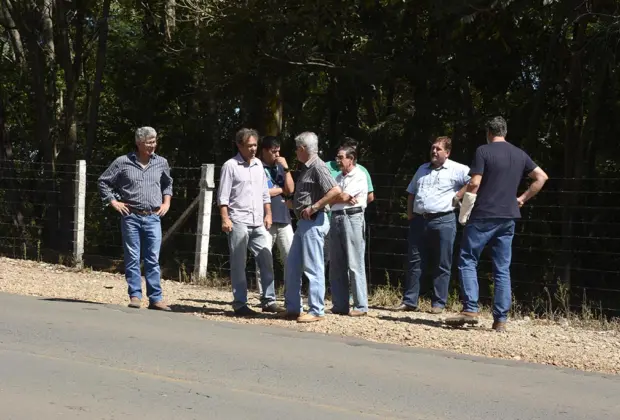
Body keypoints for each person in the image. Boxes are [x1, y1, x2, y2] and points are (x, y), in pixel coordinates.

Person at [446, 116, 548, 331]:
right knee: (502, 268)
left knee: (467, 258)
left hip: (484, 213)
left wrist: (463, 208)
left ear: (488, 133)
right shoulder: (519, 154)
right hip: (508, 216)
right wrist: (521, 199)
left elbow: (474, 182)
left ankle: (470, 309)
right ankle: (500, 319)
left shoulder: (483, 151)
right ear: (505, 132)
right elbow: (541, 177)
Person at [98, 126, 172, 311]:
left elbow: (167, 184)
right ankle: (135, 296)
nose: (153, 146)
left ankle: (155, 298)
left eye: (154, 141)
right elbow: (103, 181)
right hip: (131, 216)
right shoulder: (122, 162)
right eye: (149, 142)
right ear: (139, 143)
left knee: (152, 259)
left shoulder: (161, 162)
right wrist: (114, 202)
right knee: (132, 257)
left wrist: (166, 203)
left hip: (153, 216)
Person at [395, 137, 470, 314]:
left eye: (438, 149)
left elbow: (475, 181)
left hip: (443, 220)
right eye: (433, 148)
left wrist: (459, 195)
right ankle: (410, 301)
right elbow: (411, 192)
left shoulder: (457, 169)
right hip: (420, 220)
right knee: (414, 261)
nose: (434, 152)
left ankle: (438, 303)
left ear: (447, 152)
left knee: (442, 262)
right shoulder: (422, 169)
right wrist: (411, 216)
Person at [217, 128, 284, 316]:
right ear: (239, 145)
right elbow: (223, 196)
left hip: (258, 222)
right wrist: (225, 218)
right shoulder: (230, 166)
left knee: (266, 259)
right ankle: (240, 303)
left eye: (255, 145)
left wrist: (268, 214)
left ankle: (269, 300)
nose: (253, 149)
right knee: (239, 263)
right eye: (249, 146)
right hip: (238, 220)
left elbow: (264, 193)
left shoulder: (259, 166)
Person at [282, 132, 341, 323]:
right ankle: (292, 308)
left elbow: (335, 190)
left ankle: (316, 310)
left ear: (302, 149)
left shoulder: (318, 166)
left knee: (313, 267)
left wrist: (315, 206)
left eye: (296, 149)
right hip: (303, 223)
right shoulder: (307, 167)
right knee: (292, 265)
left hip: (314, 222)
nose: (295, 153)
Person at [328, 144, 369, 317]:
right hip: (335, 216)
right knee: (336, 263)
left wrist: (339, 197)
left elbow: (341, 196)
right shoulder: (337, 177)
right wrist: (339, 197)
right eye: (337, 157)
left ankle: (361, 305)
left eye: (341, 157)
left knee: (354, 262)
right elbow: (330, 199)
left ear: (351, 159)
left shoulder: (359, 175)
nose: (338, 160)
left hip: (352, 217)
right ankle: (340, 304)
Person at [254, 136, 295, 293]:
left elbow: (290, 190)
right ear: (264, 151)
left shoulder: (280, 166)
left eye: (279, 151)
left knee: (291, 258)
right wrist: (280, 190)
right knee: (264, 259)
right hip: (264, 219)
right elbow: (260, 192)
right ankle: (265, 295)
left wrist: (286, 168)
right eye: (273, 152)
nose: (277, 155)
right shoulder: (256, 167)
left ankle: (291, 294)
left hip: (284, 219)